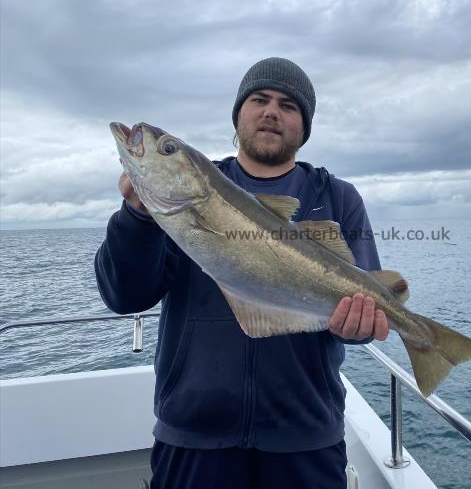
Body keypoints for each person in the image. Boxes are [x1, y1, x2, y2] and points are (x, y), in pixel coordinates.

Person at [95, 57, 389, 489]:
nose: (272, 111)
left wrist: (359, 326)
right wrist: (137, 217)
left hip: (305, 437)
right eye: (259, 99)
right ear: (238, 115)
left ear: (304, 127)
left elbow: (364, 313)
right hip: (192, 435)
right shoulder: (191, 192)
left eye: (289, 106)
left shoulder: (336, 196)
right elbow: (125, 297)